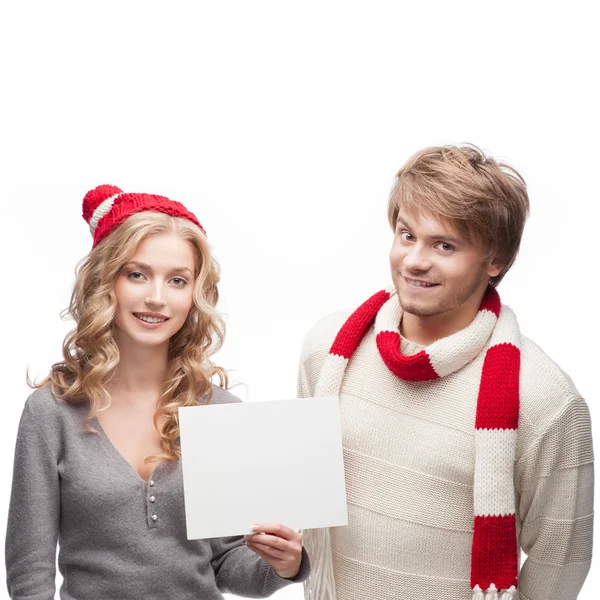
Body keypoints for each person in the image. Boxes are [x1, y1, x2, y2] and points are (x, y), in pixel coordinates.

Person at [298, 145, 593, 600]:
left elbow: (561, 558)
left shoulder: (544, 398)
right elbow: (301, 493)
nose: (415, 260)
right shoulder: (327, 350)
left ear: (494, 261)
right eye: (406, 234)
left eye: (445, 245)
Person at [6, 185, 310, 599]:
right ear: (105, 281)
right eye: (137, 274)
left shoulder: (220, 413)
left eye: (177, 281)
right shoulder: (51, 412)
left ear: (194, 296)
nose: (156, 298)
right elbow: (30, 573)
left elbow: (228, 565)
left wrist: (284, 564)